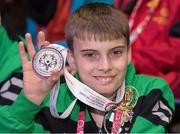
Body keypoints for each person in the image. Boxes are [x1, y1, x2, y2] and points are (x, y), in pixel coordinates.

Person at [0, 3, 174, 133]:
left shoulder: (151, 92)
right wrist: (28, 102)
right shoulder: (54, 101)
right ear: (72, 59)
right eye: (90, 55)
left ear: (129, 53)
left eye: (116, 52)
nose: (105, 66)